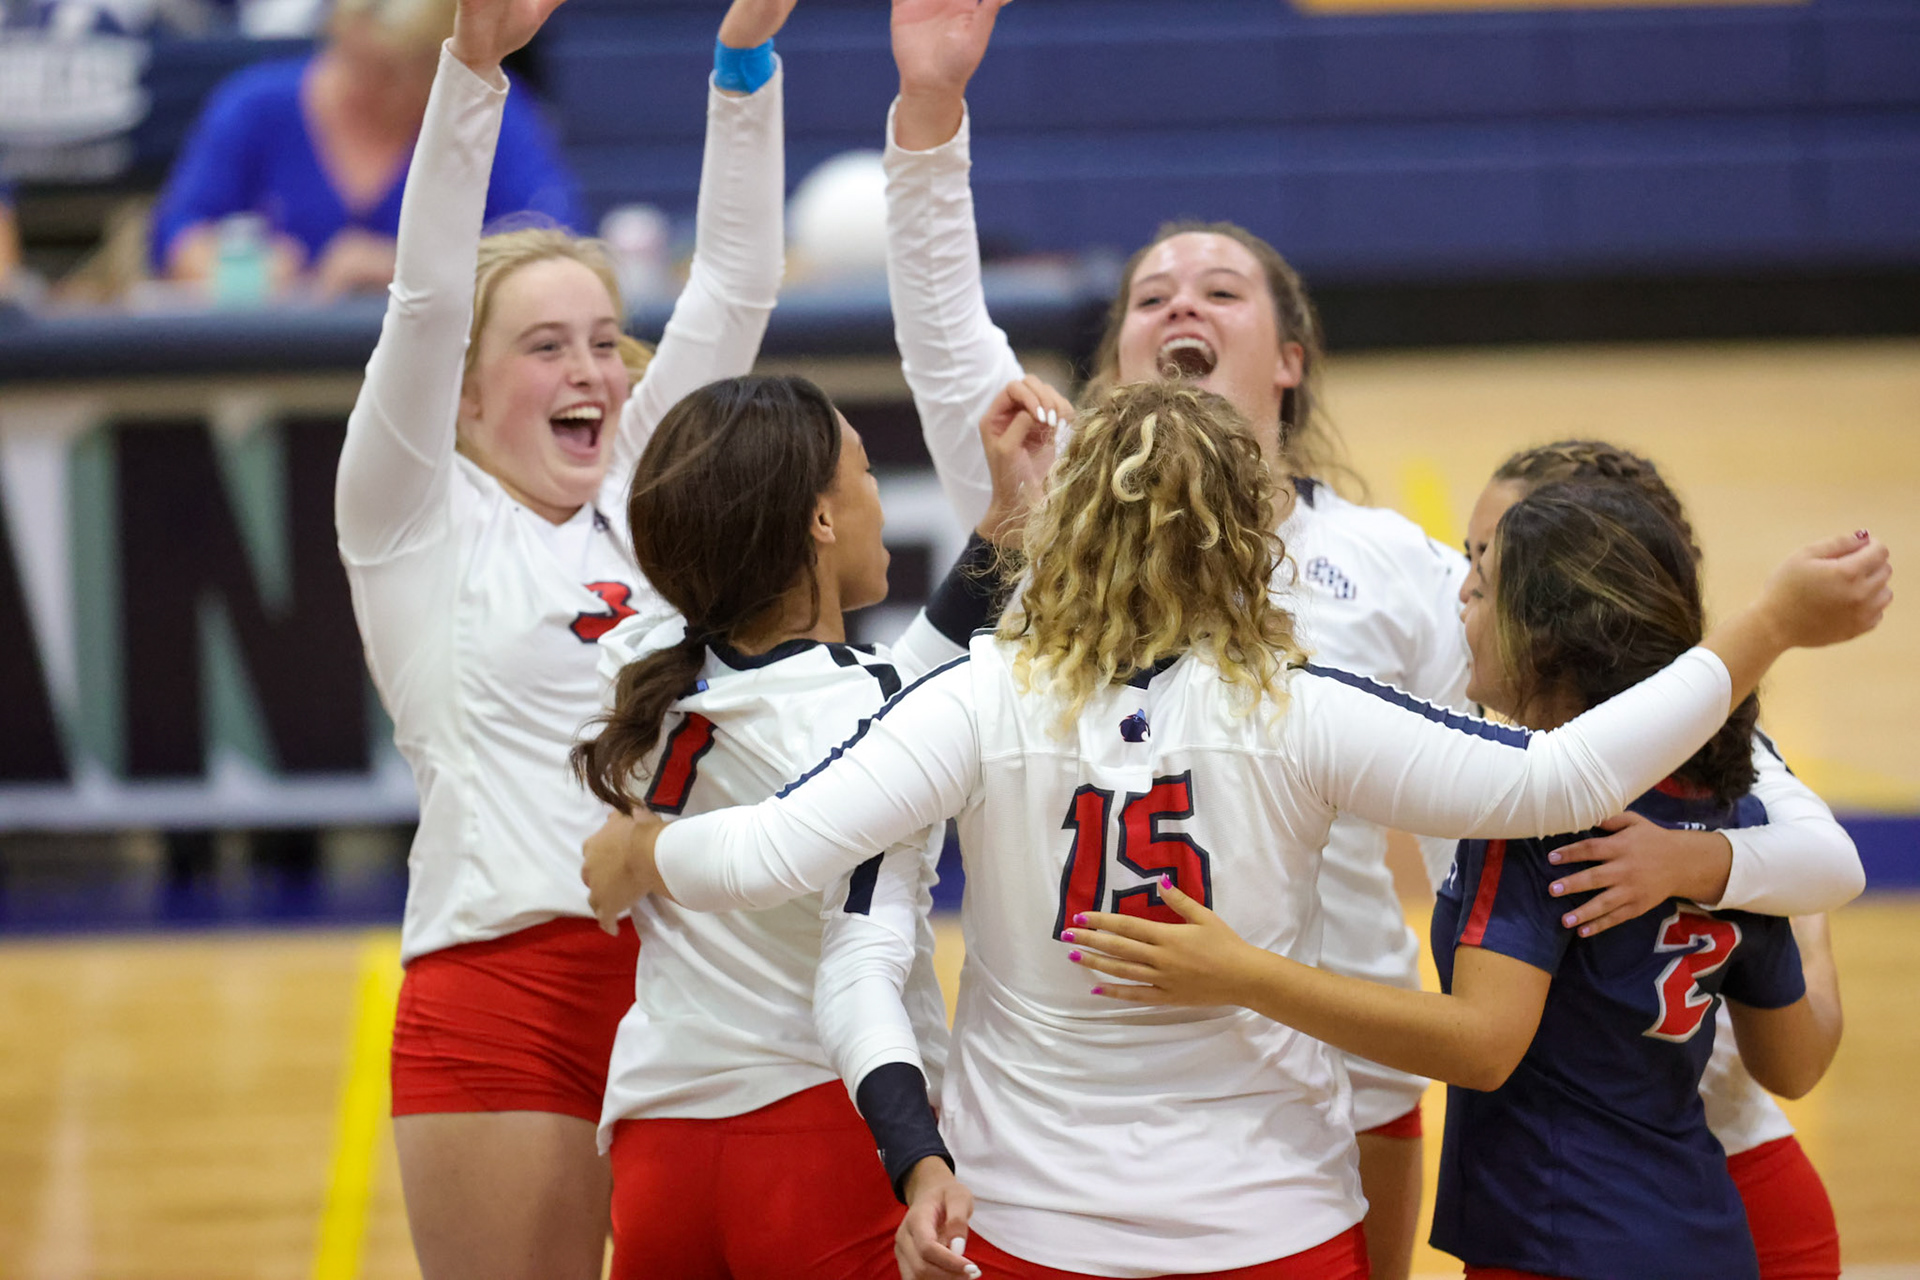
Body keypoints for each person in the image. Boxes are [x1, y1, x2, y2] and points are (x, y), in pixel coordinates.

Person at [581, 381, 1889, 1280]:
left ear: (1072, 524)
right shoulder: (1297, 708)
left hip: (1038, 1229)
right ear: (1243, 535)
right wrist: (1764, 623)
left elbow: (764, 859)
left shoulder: (975, 699)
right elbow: (1559, 782)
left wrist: (652, 853)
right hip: (1271, 1225)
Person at [1064, 474, 1889, 1278]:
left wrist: (1244, 974)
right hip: (1704, 1233)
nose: (1460, 598)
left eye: (1484, 586)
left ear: (1547, 636)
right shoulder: (1733, 811)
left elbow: (1483, 1046)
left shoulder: (1529, 810)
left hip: (1559, 1241)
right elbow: (1795, 1063)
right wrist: (1801, 915)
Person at [331, 0, 791, 1272]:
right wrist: (472, 72)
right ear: (469, 397)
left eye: (604, 341)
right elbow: (425, 301)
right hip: (502, 991)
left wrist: (744, 59)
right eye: (545, 347)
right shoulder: (408, 515)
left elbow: (739, 283)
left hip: (689, 982)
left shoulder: (639, 502)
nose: (590, 368)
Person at [571, 371, 1060, 1280]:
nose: (879, 494)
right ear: (821, 524)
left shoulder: (641, 667)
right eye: (867, 473)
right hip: (820, 1135)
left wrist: (1007, 524)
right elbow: (881, 705)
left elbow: (865, 693)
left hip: (659, 1143)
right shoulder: (870, 707)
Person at [1463, 441, 1851, 1279]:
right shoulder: (1714, 789)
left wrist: (1701, 866)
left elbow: (1831, 865)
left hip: (1635, 1194)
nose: (1462, 585)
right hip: (1684, 1205)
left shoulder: (1536, 798)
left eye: (1494, 563)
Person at [151, 0, 582, 298]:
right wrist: (240, 273)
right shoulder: (254, 106)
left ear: (442, 65)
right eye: (348, 62)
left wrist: (406, 271)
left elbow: (554, 244)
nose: (357, 88)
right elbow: (176, 233)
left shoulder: (491, 108)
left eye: (386, 74)